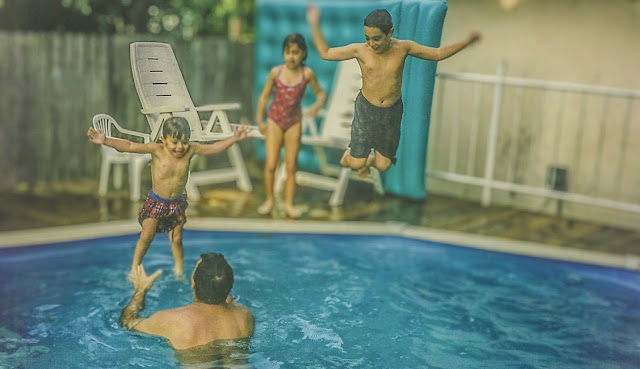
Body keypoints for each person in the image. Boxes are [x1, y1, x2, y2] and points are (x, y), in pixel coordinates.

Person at [307, 5, 481, 177]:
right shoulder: (360, 50)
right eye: (367, 38)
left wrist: (466, 42)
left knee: (383, 165)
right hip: (366, 110)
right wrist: (314, 22)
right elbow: (325, 53)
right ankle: (350, 156)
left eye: (376, 39)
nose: (371, 44)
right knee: (356, 163)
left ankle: (366, 163)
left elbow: (436, 54)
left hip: (391, 112)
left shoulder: (403, 48)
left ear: (390, 33)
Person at [87, 118, 249, 279]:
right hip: (157, 201)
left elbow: (213, 147)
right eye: (175, 142)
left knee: (176, 238)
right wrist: (106, 140)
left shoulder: (190, 150)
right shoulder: (156, 149)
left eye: (184, 142)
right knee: (147, 236)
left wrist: (234, 138)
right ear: (163, 139)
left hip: (177, 202)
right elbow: (129, 146)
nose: (180, 147)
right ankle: (135, 267)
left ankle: (179, 269)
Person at [119, 252, 255, 350]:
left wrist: (141, 291)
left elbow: (126, 323)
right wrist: (220, 282)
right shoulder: (245, 316)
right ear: (229, 286)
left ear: (193, 284)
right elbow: (224, 293)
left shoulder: (173, 321)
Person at [256, 33, 326, 219]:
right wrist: (260, 120)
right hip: (274, 120)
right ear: (283, 53)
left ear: (303, 53)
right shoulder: (276, 72)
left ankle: (289, 204)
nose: (291, 57)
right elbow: (264, 97)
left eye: (295, 52)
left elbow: (321, 94)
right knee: (271, 164)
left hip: (294, 122)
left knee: (291, 166)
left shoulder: (307, 74)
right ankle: (270, 200)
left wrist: (316, 107)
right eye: (288, 52)